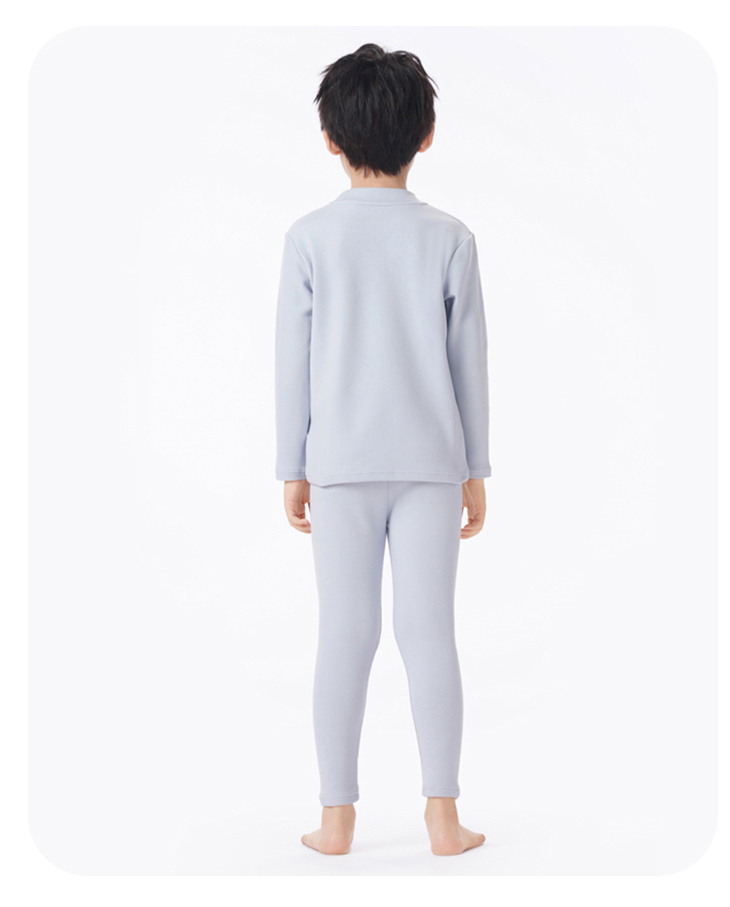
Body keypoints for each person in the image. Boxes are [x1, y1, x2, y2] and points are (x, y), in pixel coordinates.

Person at [274, 43, 490, 857]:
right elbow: (469, 362)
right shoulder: (451, 238)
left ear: (330, 138)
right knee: (429, 632)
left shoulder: (309, 237)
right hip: (432, 462)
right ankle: (443, 817)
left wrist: (291, 465)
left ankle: (336, 820)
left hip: (338, 464)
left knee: (344, 632)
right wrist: (475, 468)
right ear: (426, 135)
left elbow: (291, 360)